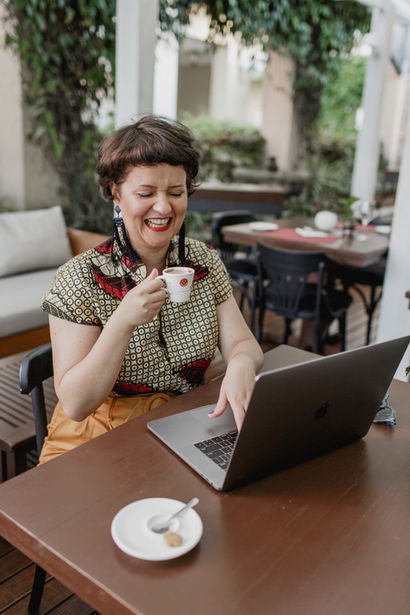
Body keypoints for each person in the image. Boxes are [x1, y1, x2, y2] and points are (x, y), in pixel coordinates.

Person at [39, 115, 263, 464]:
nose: (164, 207)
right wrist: (122, 321)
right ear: (116, 193)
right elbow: (76, 404)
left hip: (183, 423)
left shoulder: (204, 261)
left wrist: (241, 364)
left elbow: (243, 344)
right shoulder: (80, 278)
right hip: (99, 436)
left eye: (176, 192)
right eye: (146, 193)